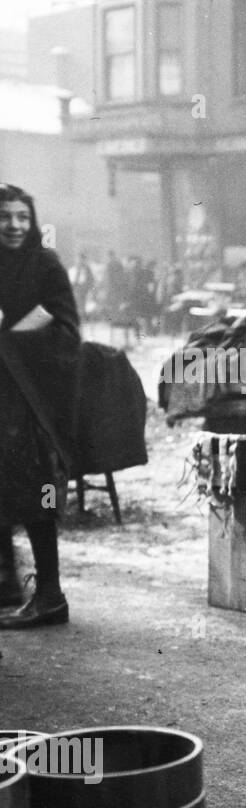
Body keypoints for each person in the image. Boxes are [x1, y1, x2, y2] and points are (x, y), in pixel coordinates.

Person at [0, 183, 82, 628]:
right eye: (4, 217)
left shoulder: (45, 265)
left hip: (34, 399)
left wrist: (13, 330)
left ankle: (50, 594)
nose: (14, 225)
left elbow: (66, 329)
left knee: (37, 492)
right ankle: (9, 587)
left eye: (21, 217)